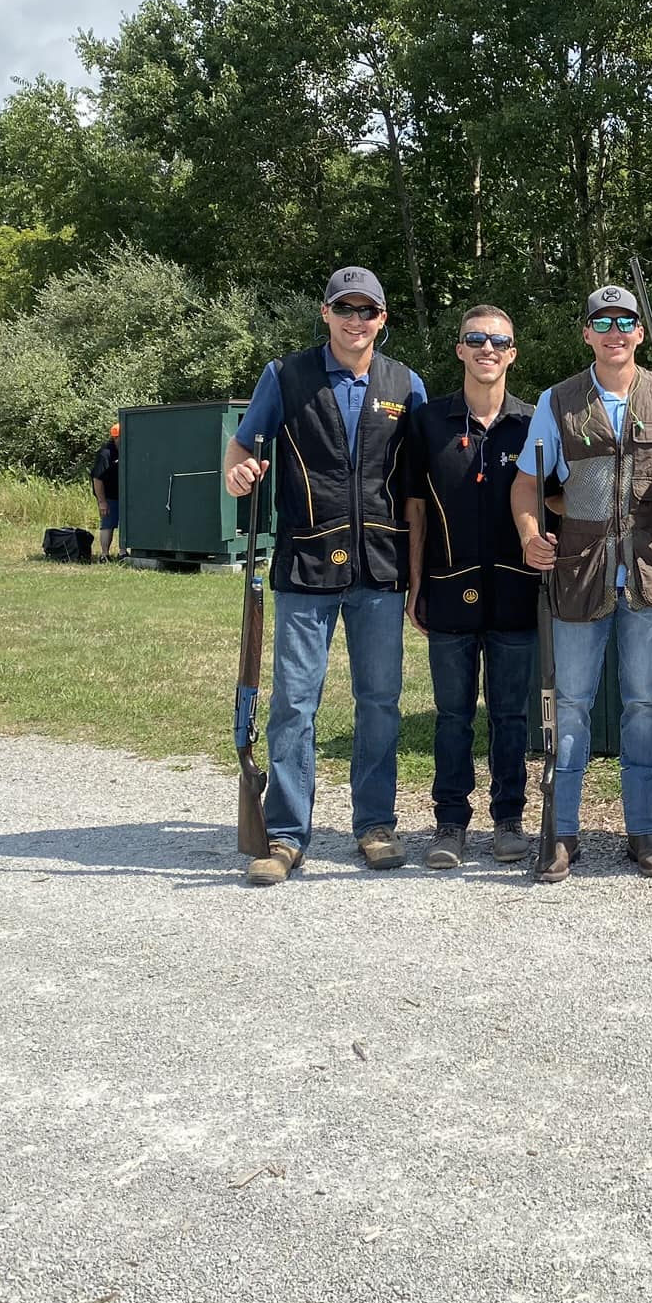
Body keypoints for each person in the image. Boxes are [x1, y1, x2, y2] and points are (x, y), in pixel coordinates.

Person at [222, 266, 428, 887]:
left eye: (367, 310)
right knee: (294, 704)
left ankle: (375, 825)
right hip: (306, 565)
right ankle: (285, 835)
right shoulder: (285, 376)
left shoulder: (406, 384)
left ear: (382, 319)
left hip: (382, 567)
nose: (356, 320)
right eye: (345, 308)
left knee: (380, 704)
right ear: (326, 313)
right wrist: (239, 473)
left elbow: (420, 481)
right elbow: (243, 447)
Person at [510, 284, 652, 885]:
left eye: (626, 321)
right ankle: (561, 832)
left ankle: (643, 830)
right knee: (571, 705)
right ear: (587, 333)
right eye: (603, 322)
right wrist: (531, 534)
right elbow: (525, 484)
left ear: (639, 333)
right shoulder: (556, 401)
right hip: (580, 571)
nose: (615, 331)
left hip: (649, 570)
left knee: (644, 703)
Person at [402, 306, 537, 870]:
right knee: (452, 714)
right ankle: (450, 824)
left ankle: (509, 819)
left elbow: (550, 497)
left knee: (510, 715)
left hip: (516, 590)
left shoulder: (534, 422)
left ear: (512, 353)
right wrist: (415, 585)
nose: (487, 349)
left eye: (498, 342)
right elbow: (413, 509)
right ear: (459, 349)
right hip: (447, 586)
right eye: (475, 340)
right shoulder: (428, 421)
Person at [90, 423, 122, 561]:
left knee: (125, 525)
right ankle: (104, 555)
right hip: (109, 497)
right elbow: (97, 478)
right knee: (107, 524)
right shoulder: (105, 453)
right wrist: (102, 502)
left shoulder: (125, 450)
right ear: (115, 437)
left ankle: (123, 553)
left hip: (123, 496)